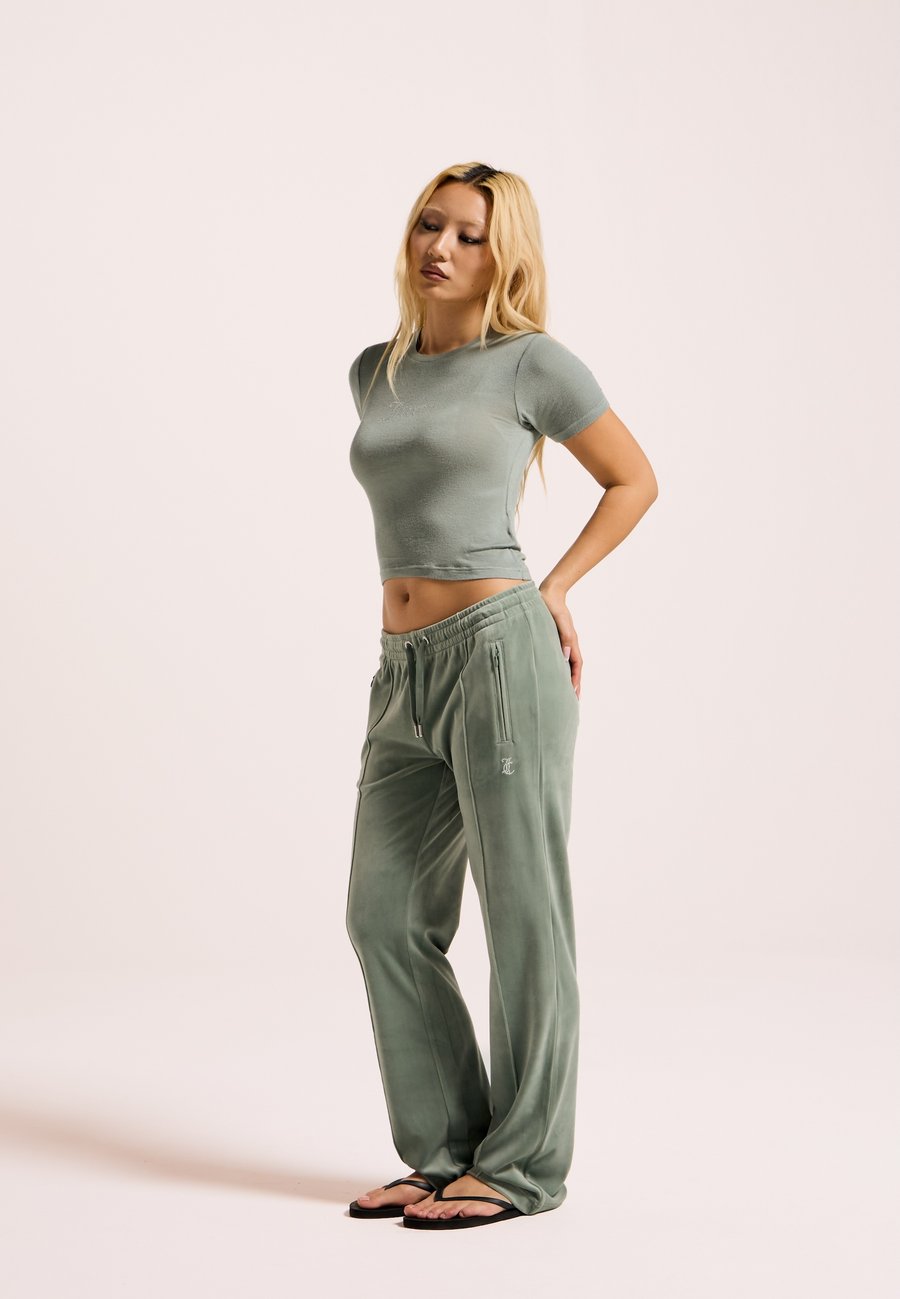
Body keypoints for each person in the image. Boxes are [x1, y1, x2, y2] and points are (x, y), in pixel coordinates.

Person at [344, 162, 658, 1230]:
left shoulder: (532, 364)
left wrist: (556, 588)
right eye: (428, 224)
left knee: (523, 913)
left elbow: (633, 478)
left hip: (497, 654)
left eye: (469, 235)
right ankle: (442, 1151)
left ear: (503, 253)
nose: (440, 247)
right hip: (403, 671)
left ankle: (522, 1168)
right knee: (384, 913)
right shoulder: (375, 372)